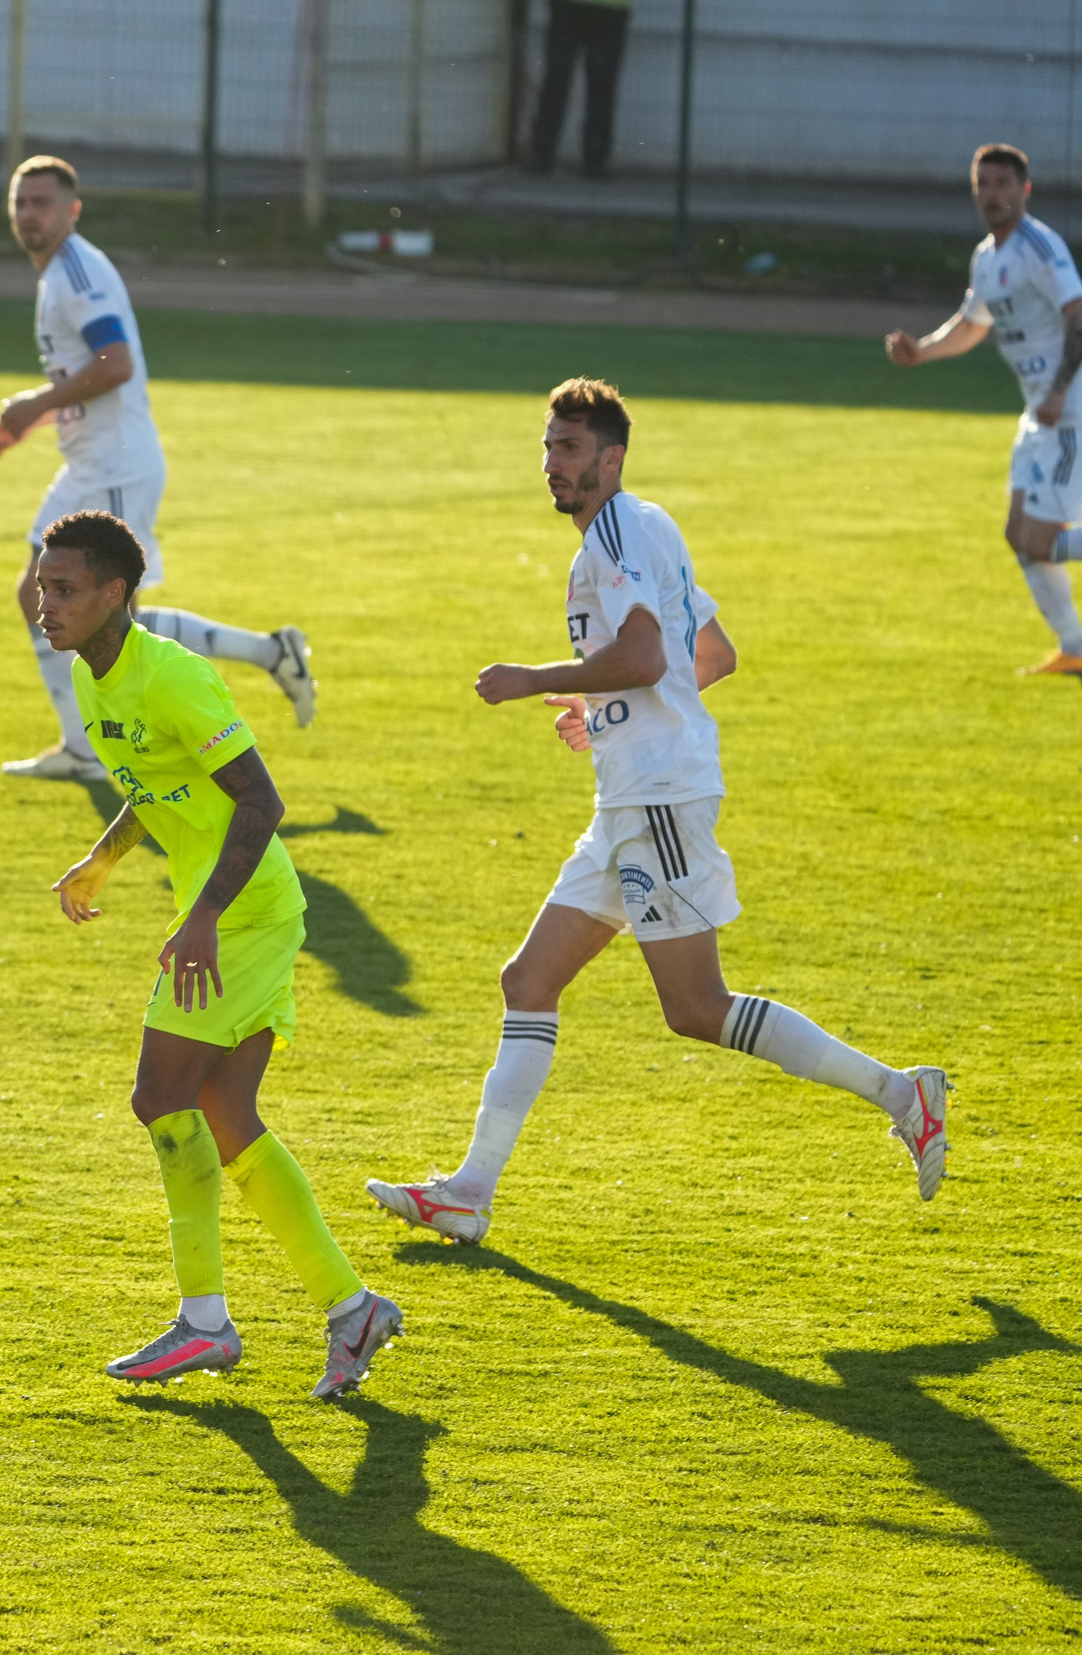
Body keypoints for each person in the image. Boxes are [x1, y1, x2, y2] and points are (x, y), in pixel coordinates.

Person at [365, 380, 949, 1247]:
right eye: (548, 446)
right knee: (528, 980)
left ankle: (905, 1094)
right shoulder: (647, 525)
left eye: (570, 450)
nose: (553, 464)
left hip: (660, 796)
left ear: (612, 458)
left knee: (696, 1006)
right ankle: (469, 1191)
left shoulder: (617, 533)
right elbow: (710, 653)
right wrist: (599, 711)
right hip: (629, 798)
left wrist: (538, 680)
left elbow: (643, 656)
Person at [39, 510, 401, 1399]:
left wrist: (200, 916)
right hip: (239, 912)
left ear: (115, 593)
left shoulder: (172, 679)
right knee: (225, 1111)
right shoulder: (94, 673)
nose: (43, 605)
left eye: (64, 589)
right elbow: (156, 788)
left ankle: (205, 1321)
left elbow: (261, 802)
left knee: (160, 1095)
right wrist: (105, 857)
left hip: (242, 915)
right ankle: (349, 1308)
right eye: (43, 586)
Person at [0, 157, 315, 782]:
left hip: (114, 466)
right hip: (95, 461)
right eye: (20, 202)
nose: (29, 214)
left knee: (112, 619)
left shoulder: (76, 272)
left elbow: (116, 364)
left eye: (42, 203)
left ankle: (270, 652)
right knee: (40, 594)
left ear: (71, 210)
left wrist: (37, 403)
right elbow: (93, 377)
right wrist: (32, 415)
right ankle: (83, 749)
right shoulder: (58, 273)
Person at [887, 143, 1082, 678]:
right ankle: (1075, 647)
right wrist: (922, 351)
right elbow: (973, 324)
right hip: (1037, 416)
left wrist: (1061, 389)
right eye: (984, 184)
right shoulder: (987, 257)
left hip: (1071, 413)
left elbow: (1078, 312)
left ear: (1024, 190)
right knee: (1018, 536)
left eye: (1003, 184)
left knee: (1041, 539)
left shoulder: (1039, 246)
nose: (992, 194)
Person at [527, 0, 631, 180]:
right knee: (601, 86)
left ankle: (541, 156)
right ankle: (595, 162)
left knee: (557, 80)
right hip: (609, 10)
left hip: (572, 7)